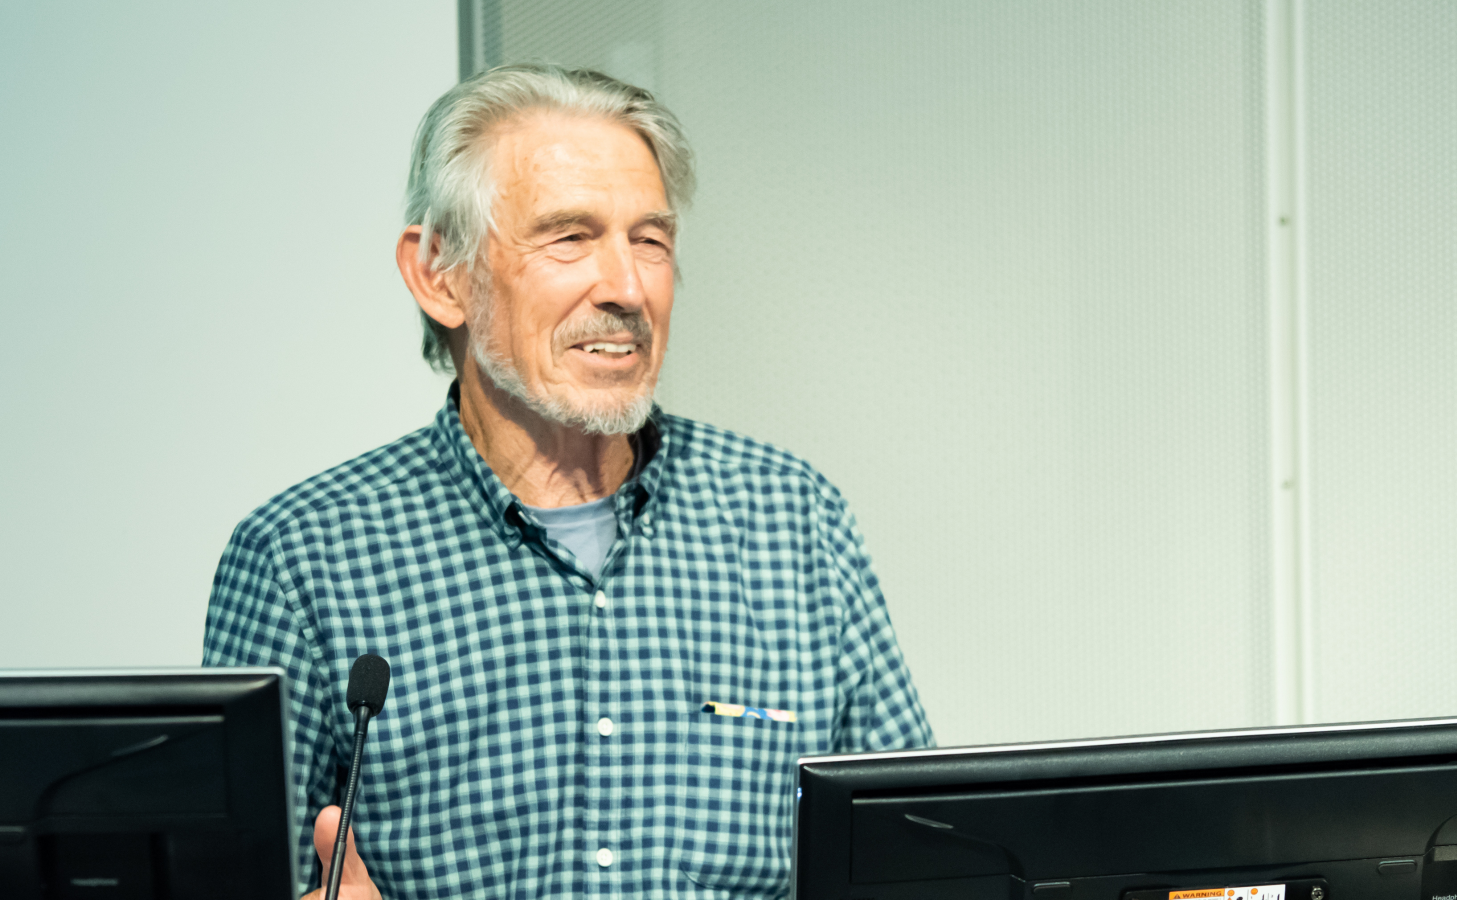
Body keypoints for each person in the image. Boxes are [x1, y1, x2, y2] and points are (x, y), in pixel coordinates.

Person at [203, 62, 932, 899]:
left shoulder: (793, 519)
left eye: (649, 240)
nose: (626, 287)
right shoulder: (302, 558)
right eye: (570, 236)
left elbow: (917, 863)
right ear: (440, 273)